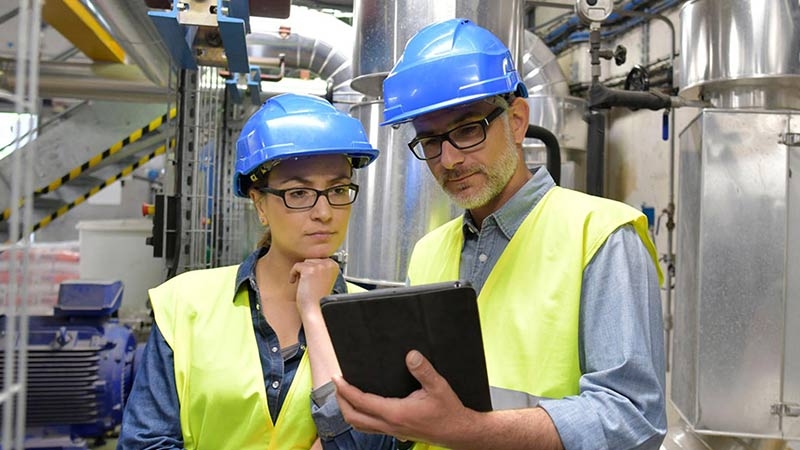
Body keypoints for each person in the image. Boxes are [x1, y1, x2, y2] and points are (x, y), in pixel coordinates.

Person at [333, 18, 667, 450]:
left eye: (468, 129)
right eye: (430, 141)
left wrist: (469, 430)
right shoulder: (429, 250)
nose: (449, 159)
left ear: (517, 120)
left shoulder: (600, 235)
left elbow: (632, 418)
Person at [118, 93, 397, 450]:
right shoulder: (185, 304)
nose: (325, 212)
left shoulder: (376, 319)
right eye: (299, 193)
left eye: (338, 189)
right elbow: (144, 443)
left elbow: (369, 444)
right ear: (259, 203)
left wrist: (314, 313)